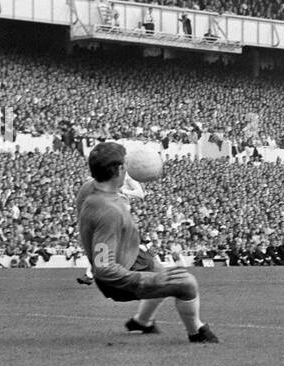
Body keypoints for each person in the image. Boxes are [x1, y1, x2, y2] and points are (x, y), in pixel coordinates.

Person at [76, 141, 219, 341]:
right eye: (125, 164)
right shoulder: (108, 210)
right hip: (119, 276)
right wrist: (145, 280)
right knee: (186, 283)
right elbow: (104, 268)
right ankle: (197, 332)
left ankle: (141, 321)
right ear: (118, 169)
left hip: (133, 255)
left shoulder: (90, 189)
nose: (128, 167)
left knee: (165, 273)